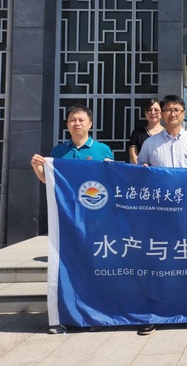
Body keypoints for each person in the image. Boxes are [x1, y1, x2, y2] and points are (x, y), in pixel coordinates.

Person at [30, 103, 113, 334]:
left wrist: (110, 169)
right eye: (72, 120)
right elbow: (49, 181)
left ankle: (94, 315)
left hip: (94, 222)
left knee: (93, 267)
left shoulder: (102, 150)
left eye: (81, 120)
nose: (77, 123)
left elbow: (109, 183)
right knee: (67, 268)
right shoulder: (58, 152)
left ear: (90, 124)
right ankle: (65, 315)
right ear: (67, 124)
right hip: (67, 219)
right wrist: (37, 168)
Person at [136, 94, 187, 336]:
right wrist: (144, 171)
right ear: (162, 113)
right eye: (168, 109)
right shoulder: (150, 144)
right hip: (159, 215)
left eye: (177, 110)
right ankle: (154, 313)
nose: (172, 113)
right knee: (159, 264)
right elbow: (139, 172)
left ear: (184, 113)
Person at [128, 99, 164, 164]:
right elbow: (133, 155)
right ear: (145, 113)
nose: (153, 113)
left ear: (162, 113)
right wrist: (141, 166)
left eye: (156, 110)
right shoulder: (137, 133)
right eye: (149, 110)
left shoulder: (167, 133)